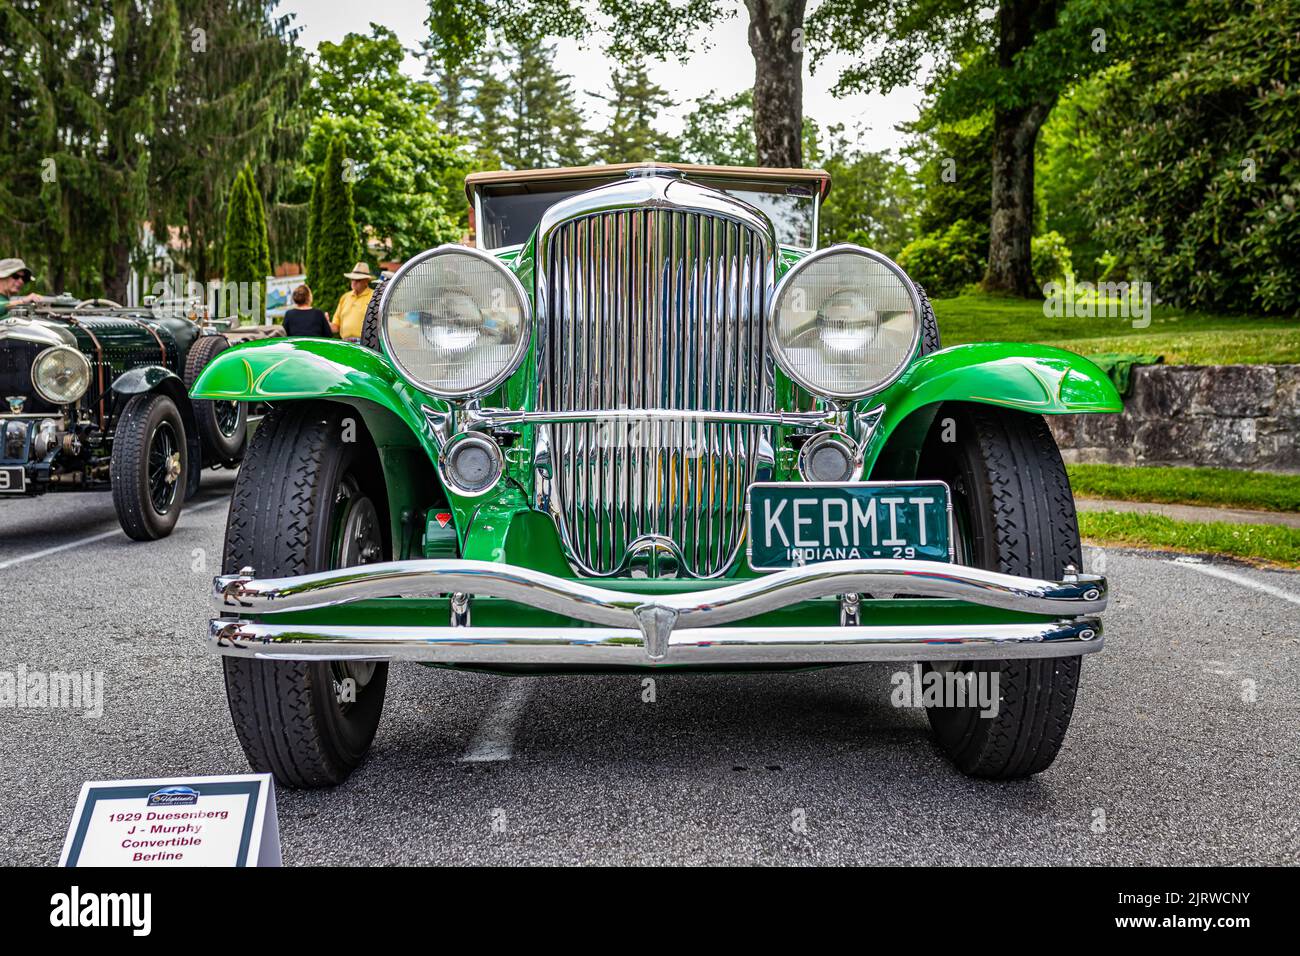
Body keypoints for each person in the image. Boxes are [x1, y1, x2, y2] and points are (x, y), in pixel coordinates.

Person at [332, 262, 374, 341]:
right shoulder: (345, 297)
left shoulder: (374, 297)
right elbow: (336, 327)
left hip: (365, 344)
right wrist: (325, 323)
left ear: (366, 281)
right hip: (345, 343)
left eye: (358, 280)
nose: (354, 282)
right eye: (352, 279)